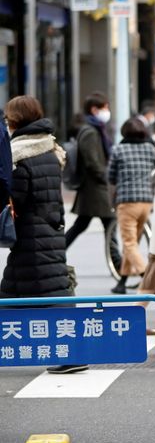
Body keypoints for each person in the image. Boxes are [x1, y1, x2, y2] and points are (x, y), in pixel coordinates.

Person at [1, 96, 79, 373]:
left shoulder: (20, 155)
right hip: (49, 230)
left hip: (31, 235)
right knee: (34, 288)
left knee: (40, 292)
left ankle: (73, 355)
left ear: (16, 120)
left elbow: (18, 198)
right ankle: (73, 354)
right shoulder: (49, 147)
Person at [64, 93, 118, 267]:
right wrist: (107, 178)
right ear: (94, 110)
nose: (107, 111)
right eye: (105, 108)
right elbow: (93, 163)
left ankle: (55, 255)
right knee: (110, 226)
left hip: (94, 190)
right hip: (96, 189)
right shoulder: (90, 132)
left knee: (82, 225)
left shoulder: (95, 129)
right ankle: (120, 267)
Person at [107, 118, 155, 294]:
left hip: (127, 201)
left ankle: (147, 276)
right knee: (133, 242)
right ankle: (122, 281)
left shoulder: (118, 150)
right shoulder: (150, 149)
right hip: (146, 201)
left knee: (129, 243)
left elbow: (111, 176)